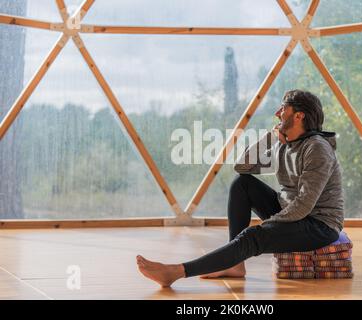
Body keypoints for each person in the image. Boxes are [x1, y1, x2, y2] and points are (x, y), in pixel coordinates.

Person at [136, 89, 344, 287]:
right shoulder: (286, 143)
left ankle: (175, 272)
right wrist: (270, 138)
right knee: (242, 183)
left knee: (253, 237)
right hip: (293, 212)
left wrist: (268, 228)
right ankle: (235, 265)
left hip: (319, 225)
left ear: (299, 116)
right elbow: (242, 166)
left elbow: (304, 205)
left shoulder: (317, 148)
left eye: (283, 108)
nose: (277, 113)